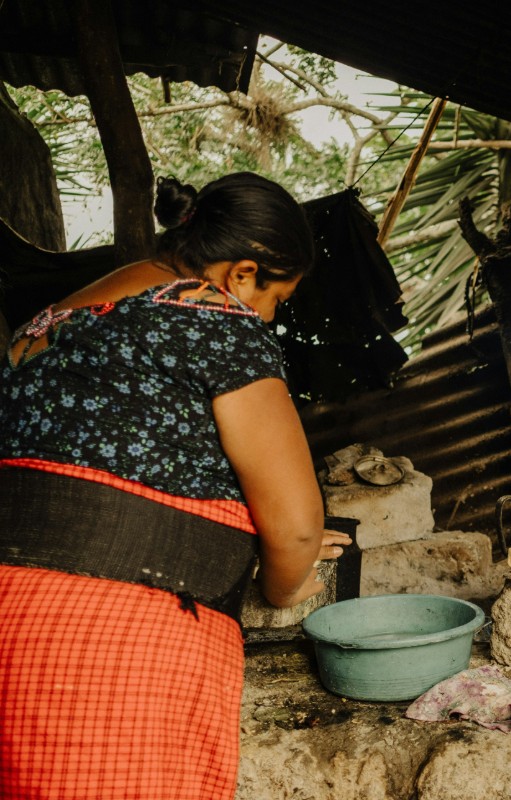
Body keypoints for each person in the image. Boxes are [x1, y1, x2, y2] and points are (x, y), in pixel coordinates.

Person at [0, 173, 351, 799]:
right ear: (244, 273)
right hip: (111, 641)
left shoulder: (42, 326)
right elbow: (297, 527)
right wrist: (288, 580)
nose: (270, 316)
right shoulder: (212, 317)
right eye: (278, 299)